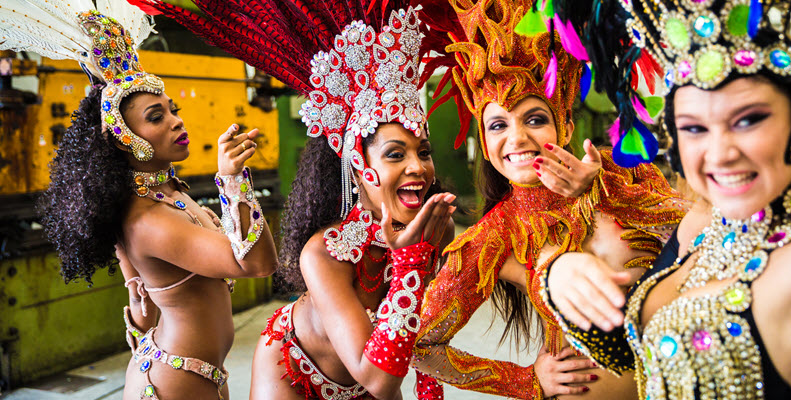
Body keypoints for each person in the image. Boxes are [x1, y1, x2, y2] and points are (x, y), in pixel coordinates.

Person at [129, 1, 460, 399]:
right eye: (395, 154)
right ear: (358, 166)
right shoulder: (324, 254)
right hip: (294, 374)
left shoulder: (435, 229)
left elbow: (427, 345)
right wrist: (411, 262)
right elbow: (381, 380)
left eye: (423, 152)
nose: (418, 168)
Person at [408, 0, 689, 398]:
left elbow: (705, 238)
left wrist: (605, 192)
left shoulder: (625, 171)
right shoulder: (492, 237)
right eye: (498, 125)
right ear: (486, 145)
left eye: (535, 119)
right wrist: (526, 379)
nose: (517, 138)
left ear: (566, 123)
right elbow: (420, 345)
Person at [2, 2, 279, 398]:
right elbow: (257, 263)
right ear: (125, 138)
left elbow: (143, 308)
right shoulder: (149, 220)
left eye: (172, 110)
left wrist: (140, 287)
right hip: (177, 381)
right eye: (156, 116)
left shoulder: (167, 195)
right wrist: (232, 181)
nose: (176, 120)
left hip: (183, 370)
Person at [543, 0, 791, 398]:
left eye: (748, 120)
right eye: (695, 128)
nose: (719, 154)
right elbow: (641, 355)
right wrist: (562, 276)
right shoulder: (706, 220)